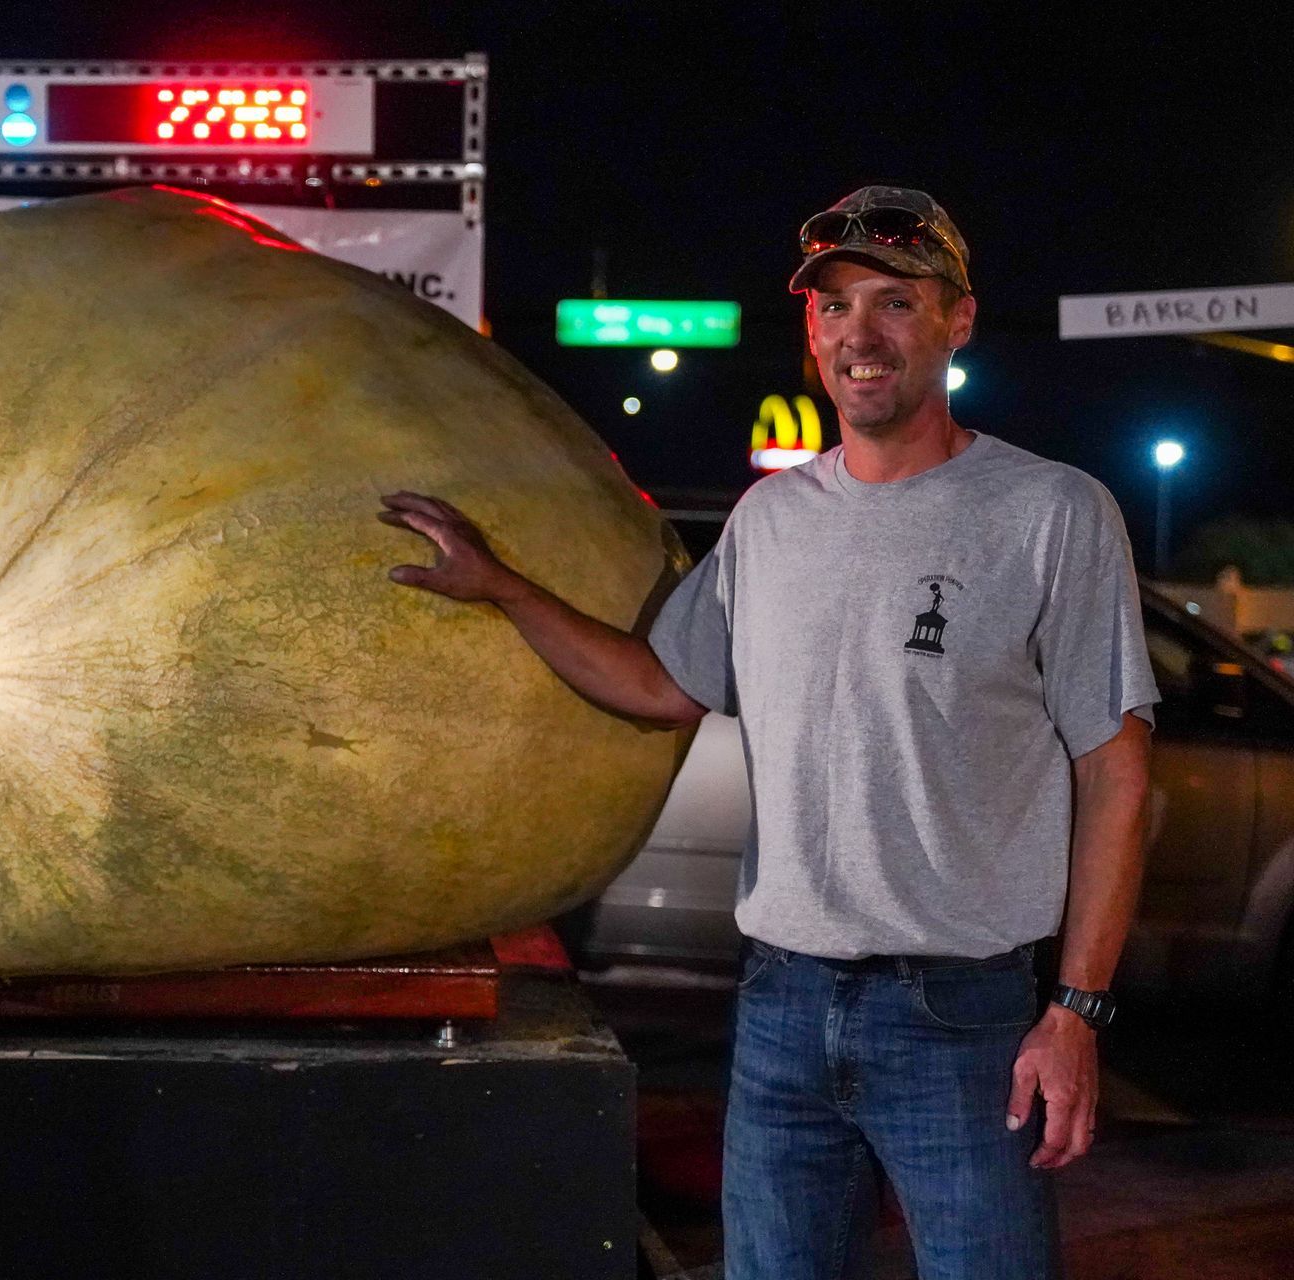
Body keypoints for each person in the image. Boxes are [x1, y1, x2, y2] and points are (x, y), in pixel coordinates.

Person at [378, 185, 1156, 1280]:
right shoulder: (772, 520)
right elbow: (659, 683)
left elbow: (1116, 773)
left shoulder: (1050, 513)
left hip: (961, 1017)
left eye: (895, 302)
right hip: (785, 1004)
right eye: (835, 308)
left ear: (958, 319)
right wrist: (502, 586)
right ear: (810, 330)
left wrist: (1074, 1012)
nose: (860, 335)